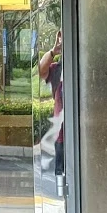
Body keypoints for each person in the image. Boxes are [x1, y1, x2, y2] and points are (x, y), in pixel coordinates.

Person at [37, 30, 64, 179]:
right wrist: (53, 52)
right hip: (61, 135)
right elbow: (40, 71)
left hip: (83, 132)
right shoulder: (55, 69)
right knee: (61, 176)